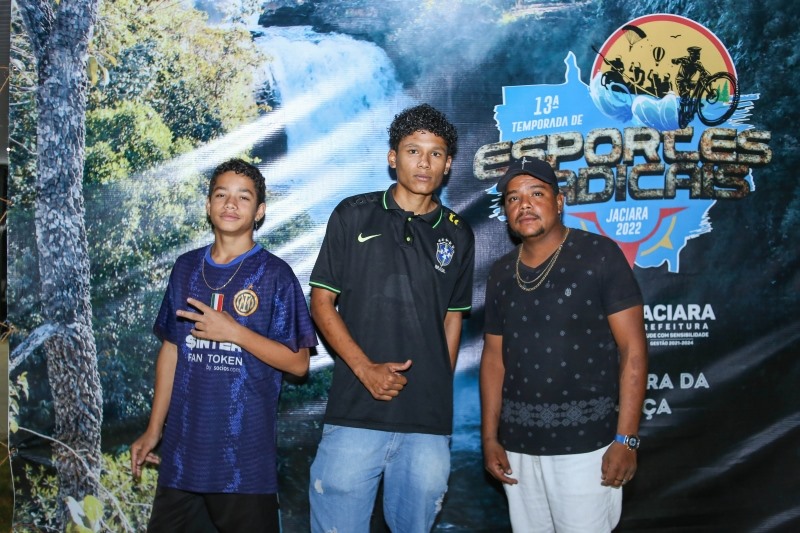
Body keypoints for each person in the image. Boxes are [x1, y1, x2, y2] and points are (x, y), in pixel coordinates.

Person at [308, 103, 475, 532]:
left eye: (436, 153)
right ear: (392, 157)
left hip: (426, 424)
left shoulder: (458, 232)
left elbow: (452, 319)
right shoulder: (352, 214)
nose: (424, 163)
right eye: (413, 151)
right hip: (355, 412)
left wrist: (436, 386)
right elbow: (321, 302)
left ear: (448, 164)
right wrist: (365, 369)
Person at [130, 158, 317, 532]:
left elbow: (299, 364)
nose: (231, 204)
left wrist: (234, 332)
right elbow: (171, 349)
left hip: (243, 465)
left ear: (259, 211)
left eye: (243, 197)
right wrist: (154, 429)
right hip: (182, 458)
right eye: (221, 195)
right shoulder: (185, 268)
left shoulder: (276, 275)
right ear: (208, 204)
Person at [480, 157, 647, 532]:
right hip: (518, 449)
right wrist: (489, 438)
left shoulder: (600, 255)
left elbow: (633, 352)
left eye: (536, 194)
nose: (524, 205)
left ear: (559, 201)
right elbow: (493, 360)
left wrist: (626, 440)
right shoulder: (501, 272)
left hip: (587, 448)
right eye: (513, 198)